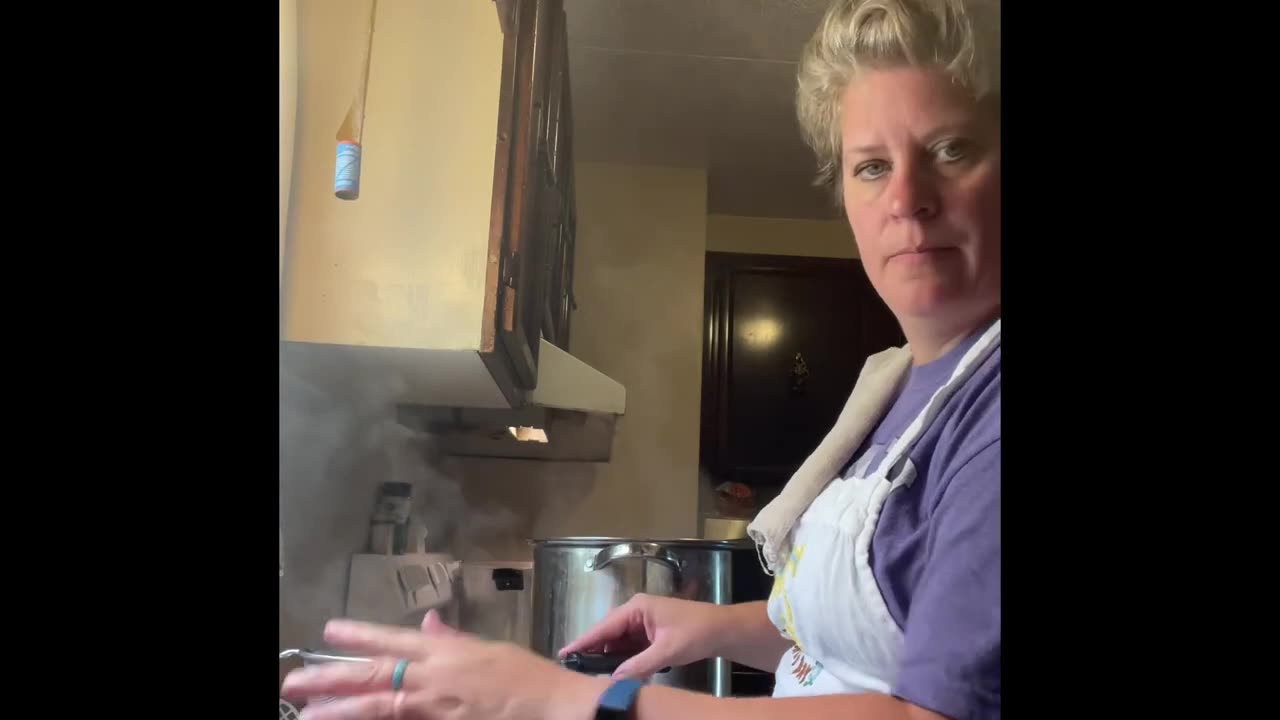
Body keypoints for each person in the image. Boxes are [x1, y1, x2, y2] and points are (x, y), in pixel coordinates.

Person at [279, 0, 1000, 718]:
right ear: (843, 196)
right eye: (872, 166)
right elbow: (859, 647)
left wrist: (570, 699)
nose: (907, 198)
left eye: (951, 151)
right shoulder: (896, 386)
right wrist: (714, 628)